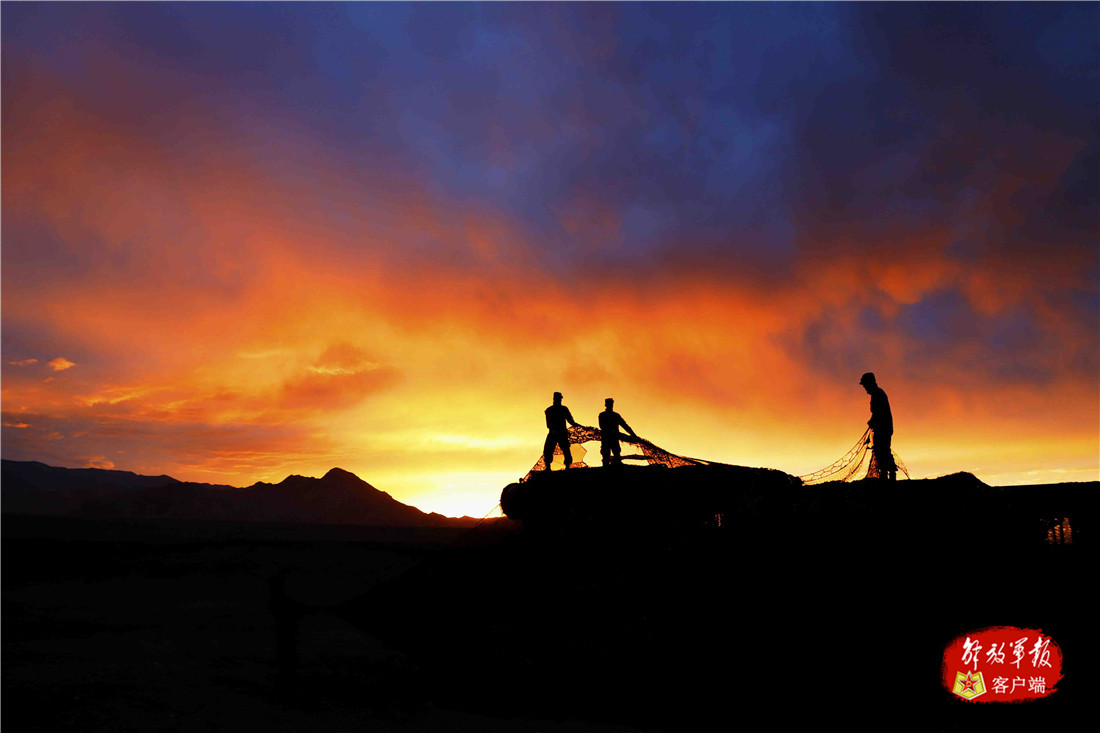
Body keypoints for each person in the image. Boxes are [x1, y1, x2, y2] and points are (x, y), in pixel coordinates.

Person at [860, 372, 896, 481]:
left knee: (882, 451)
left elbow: (879, 413)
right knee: (882, 451)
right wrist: (872, 420)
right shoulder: (877, 394)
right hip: (883, 427)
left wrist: (873, 421)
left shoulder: (877, 394)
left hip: (883, 428)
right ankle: (887, 475)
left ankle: (888, 477)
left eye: (865, 385)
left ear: (870, 383)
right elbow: (877, 412)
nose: (865, 388)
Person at [544, 392, 580, 470]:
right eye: (558, 398)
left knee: (566, 449)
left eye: (560, 398)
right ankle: (548, 466)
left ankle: (567, 465)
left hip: (561, 433)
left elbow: (570, 420)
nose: (559, 400)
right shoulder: (549, 410)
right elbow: (548, 424)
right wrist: (553, 430)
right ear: (554, 399)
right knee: (548, 449)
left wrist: (576, 424)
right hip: (554, 433)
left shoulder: (564, 409)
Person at [598, 398, 636, 467]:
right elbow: (602, 426)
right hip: (609, 439)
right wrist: (633, 435)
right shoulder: (607, 415)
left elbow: (625, 426)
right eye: (609, 403)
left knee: (615, 456)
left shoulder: (610, 415)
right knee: (607, 457)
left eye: (611, 403)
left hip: (610, 439)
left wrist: (633, 435)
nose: (611, 405)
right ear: (606, 405)